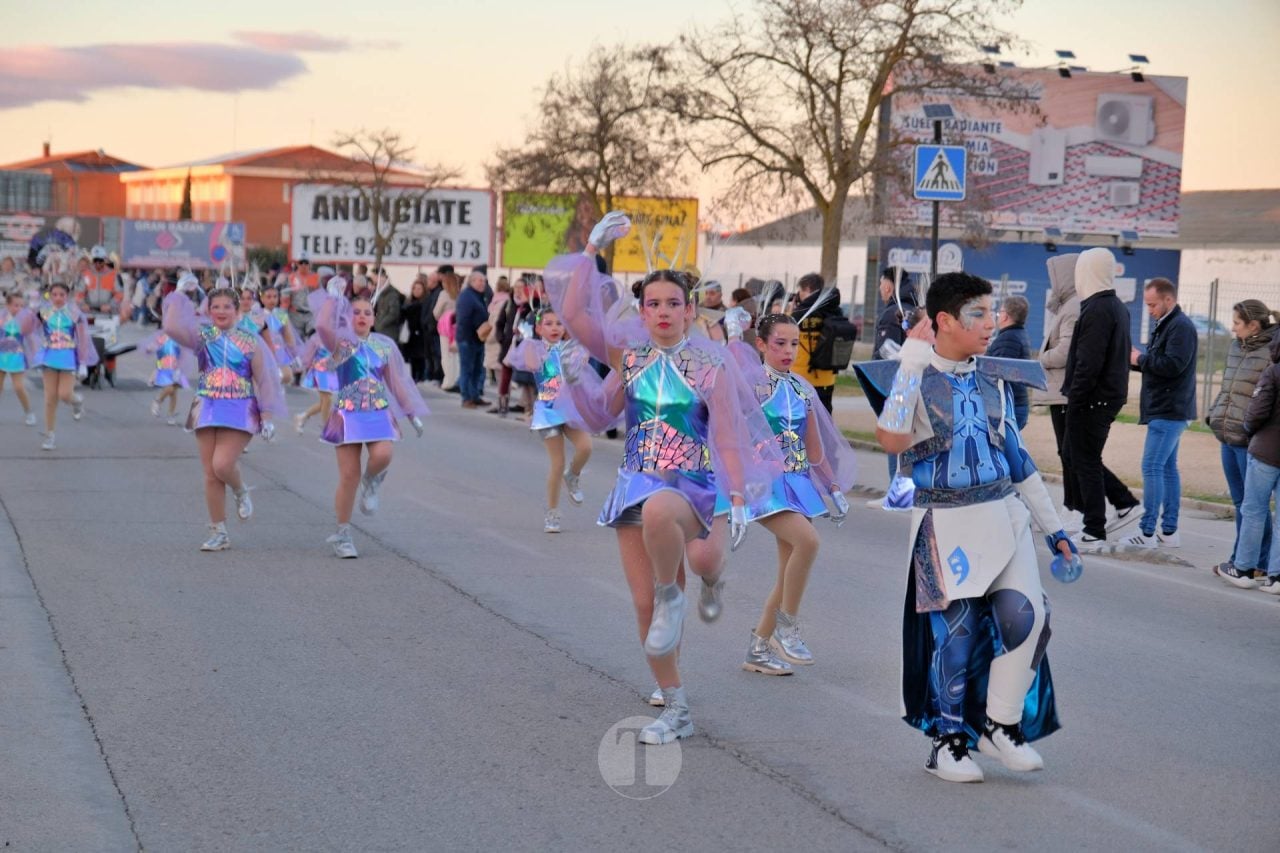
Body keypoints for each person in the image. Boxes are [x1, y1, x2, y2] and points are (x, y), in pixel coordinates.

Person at [547, 212, 780, 746]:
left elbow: (728, 436)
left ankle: (706, 581)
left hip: (691, 487)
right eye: (652, 304)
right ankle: (676, 706)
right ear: (642, 311)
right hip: (635, 484)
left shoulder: (709, 366)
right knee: (645, 606)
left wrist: (737, 496)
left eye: (673, 303)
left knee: (699, 560)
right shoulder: (629, 360)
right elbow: (577, 323)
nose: (662, 312)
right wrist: (590, 251)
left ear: (690, 310)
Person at [862, 271, 1074, 784]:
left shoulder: (994, 375)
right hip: (943, 524)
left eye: (991, 312)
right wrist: (911, 365)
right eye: (977, 314)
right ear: (944, 321)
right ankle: (947, 742)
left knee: (1030, 617)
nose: (990, 323)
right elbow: (891, 440)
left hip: (1003, 514)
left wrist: (1055, 530)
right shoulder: (912, 375)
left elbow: (1017, 458)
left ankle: (1000, 726)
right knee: (955, 636)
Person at [731, 314, 856, 675]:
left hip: (797, 483)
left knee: (788, 572)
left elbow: (814, 449)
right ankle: (787, 627)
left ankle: (758, 649)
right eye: (779, 343)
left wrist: (833, 487)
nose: (788, 351)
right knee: (808, 542)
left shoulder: (803, 388)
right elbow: (730, 435)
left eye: (794, 344)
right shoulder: (750, 386)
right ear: (761, 345)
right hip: (762, 483)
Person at [162, 281, 286, 552]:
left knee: (222, 465)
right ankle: (219, 532)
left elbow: (264, 380)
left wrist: (267, 417)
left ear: (236, 310)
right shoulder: (202, 336)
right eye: (215, 306)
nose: (220, 311)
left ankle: (240, 489)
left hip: (240, 407)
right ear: (208, 311)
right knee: (210, 473)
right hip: (207, 405)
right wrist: (180, 293)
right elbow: (170, 327)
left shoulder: (250, 341)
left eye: (226, 306)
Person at [312, 286, 428, 558]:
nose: (362, 316)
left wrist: (411, 414)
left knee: (383, 454)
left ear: (374, 318)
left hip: (378, 412)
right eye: (356, 312)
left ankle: (372, 481)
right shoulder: (340, 343)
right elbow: (321, 325)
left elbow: (396, 383)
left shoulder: (384, 346)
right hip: (347, 415)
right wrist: (333, 298)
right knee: (348, 476)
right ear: (346, 317)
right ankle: (343, 534)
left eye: (367, 312)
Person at [1061, 247, 1140, 550]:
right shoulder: (1114, 306)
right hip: (1103, 395)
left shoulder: (1097, 309)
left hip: (1093, 397)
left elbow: (1089, 362)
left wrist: (1076, 398)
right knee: (1075, 455)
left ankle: (1094, 528)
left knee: (1084, 459)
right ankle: (1123, 502)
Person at [1121, 278, 1198, 549]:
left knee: (1152, 467)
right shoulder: (1167, 324)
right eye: (1147, 305)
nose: (1150, 310)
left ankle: (1147, 532)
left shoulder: (1180, 326)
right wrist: (1137, 361)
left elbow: (1173, 365)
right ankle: (1168, 531)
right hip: (1168, 408)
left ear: (1168, 299)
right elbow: (1159, 363)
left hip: (1169, 410)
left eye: (1153, 305)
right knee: (1166, 468)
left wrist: (1140, 359)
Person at [1207, 300, 1279, 581]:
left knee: (1253, 506)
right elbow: (1228, 387)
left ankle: (1253, 562)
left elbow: (1266, 398)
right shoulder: (1236, 347)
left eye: (1237, 323)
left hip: (1249, 438)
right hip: (1226, 433)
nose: (1233, 328)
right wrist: (1214, 413)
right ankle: (1244, 559)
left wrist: (1251, 428)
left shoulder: (1270, 351)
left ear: (1254, 325)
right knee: (1242, 503)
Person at [506, 307, 593, 533]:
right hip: (548, 410)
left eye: (559, 323)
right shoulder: (533, 348)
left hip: (569, 408)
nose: (555, 328)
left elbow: (579, 373)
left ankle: (572, 476)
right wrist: (535, 347)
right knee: (557, 463)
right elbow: (531, 365)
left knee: (586, 447)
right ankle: (552, 514)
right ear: (538, 328)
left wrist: (579, 357)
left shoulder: (571, 349)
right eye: (548, 323)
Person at [1224, 331, 1280, 592]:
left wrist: (1247, 428)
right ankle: (1276, 577)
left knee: (1254, 510)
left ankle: (1244, 569)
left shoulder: (1273, 372)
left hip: (1267, 451)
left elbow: (1257, 411)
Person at [1034, 254, 1082, 529]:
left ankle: (1075, 508)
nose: (1052, 284)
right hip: (1059, 390)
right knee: (1065, 453)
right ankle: (1070, 506)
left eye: (1054, 277)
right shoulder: (1066, 306)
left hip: (1064, 389)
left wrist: (1041, 359)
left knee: (1069, 453)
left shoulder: (1073, 308)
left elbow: (1065, 351)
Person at [35, 280, 98, 451]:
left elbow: (83, 339)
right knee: (50, 399)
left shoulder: (75, 314)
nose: (58, 298)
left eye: (61, 295)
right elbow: (31, 329)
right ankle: (50, 435)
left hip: (68, 358)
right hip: (49, 357)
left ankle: (77, 402)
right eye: (54, 295)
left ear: (67, 296)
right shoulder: (43, 312)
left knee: (64, 394)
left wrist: (83, 363)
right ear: (49, 296)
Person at [791, 272, 842, 413]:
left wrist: (792, 310)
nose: (799, 295)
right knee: (824, 420)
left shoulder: (800, 314)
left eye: (801, 291)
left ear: (807, 289)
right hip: (827, 377)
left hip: (801, 377)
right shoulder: (835, 311)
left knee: (800, 420)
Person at [985, 295, 1032, 429]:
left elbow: (997, 373)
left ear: (1005, 316)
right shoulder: (1018, 334)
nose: (998, 316)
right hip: (1016, 403)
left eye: (1000, 312)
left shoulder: (1008, 339)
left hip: (1009, 407)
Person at [141, 324, 193, 426]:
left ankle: (171, 414)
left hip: (176, 368)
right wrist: (150, 348)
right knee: (169, 388)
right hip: (164, 367)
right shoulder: (162, 338)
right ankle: (158, 400)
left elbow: (184, 351)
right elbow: (151, 348)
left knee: (174, 392)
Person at [455, 265, 491, 408]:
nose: (482, 284)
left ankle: (475, 395)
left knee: (477, 369)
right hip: (468, 339)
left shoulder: (478, 296)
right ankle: (466, 397)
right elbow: (463, 319)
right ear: (472, 281)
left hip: (478, 339)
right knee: (467, 369)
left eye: (484, 281)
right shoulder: (467, 297)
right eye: (479, 281)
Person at [0, 290, 38, 425]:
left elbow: (31, 338)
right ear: (8, 305)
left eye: (22, 306)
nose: (19, 308)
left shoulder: (25, 320)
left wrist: (36, 356)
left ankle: (29, 412)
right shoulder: (2, 318)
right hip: (1, 355)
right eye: (16, 305)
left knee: (19, 387)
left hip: (16, 356)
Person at [873, 266, 917, 360]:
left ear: (887, 288)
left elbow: (884, 358)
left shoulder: (891, 315)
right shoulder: (916, 311)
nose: (879, 288)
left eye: (881, 284)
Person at [433, 271, 461, 392]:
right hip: (458, 326)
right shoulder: (460, 294)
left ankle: (448, 381)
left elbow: (436, 312)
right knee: (456, 355)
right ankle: (456, 379)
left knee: (446, 355)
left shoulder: (444, 294)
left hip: (446, 326)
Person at [401, 276, 431, 383]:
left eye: (419, 289)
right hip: (410, 335)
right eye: (415, 288)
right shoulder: (408, 302)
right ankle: (413, 377)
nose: (416, 291)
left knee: (420, 357)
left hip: (420, 334)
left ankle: (421, 377)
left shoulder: (425, 303)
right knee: (412, 358)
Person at [483, 277, 511, 388]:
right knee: (495, 359)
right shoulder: (507, 299)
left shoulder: (497, 301)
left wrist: (490, 336)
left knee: (494, 359)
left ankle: (495, 380)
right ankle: (496, 380)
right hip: (499, 334)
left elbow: (495, 320)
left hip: (494, 334)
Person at [371, 268, 403, 339]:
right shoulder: (380, 293)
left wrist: (381, 324)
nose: (373, 281)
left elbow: (394, 313)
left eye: (374, 278)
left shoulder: (391, 294)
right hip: (381, 331)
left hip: (388, 332)